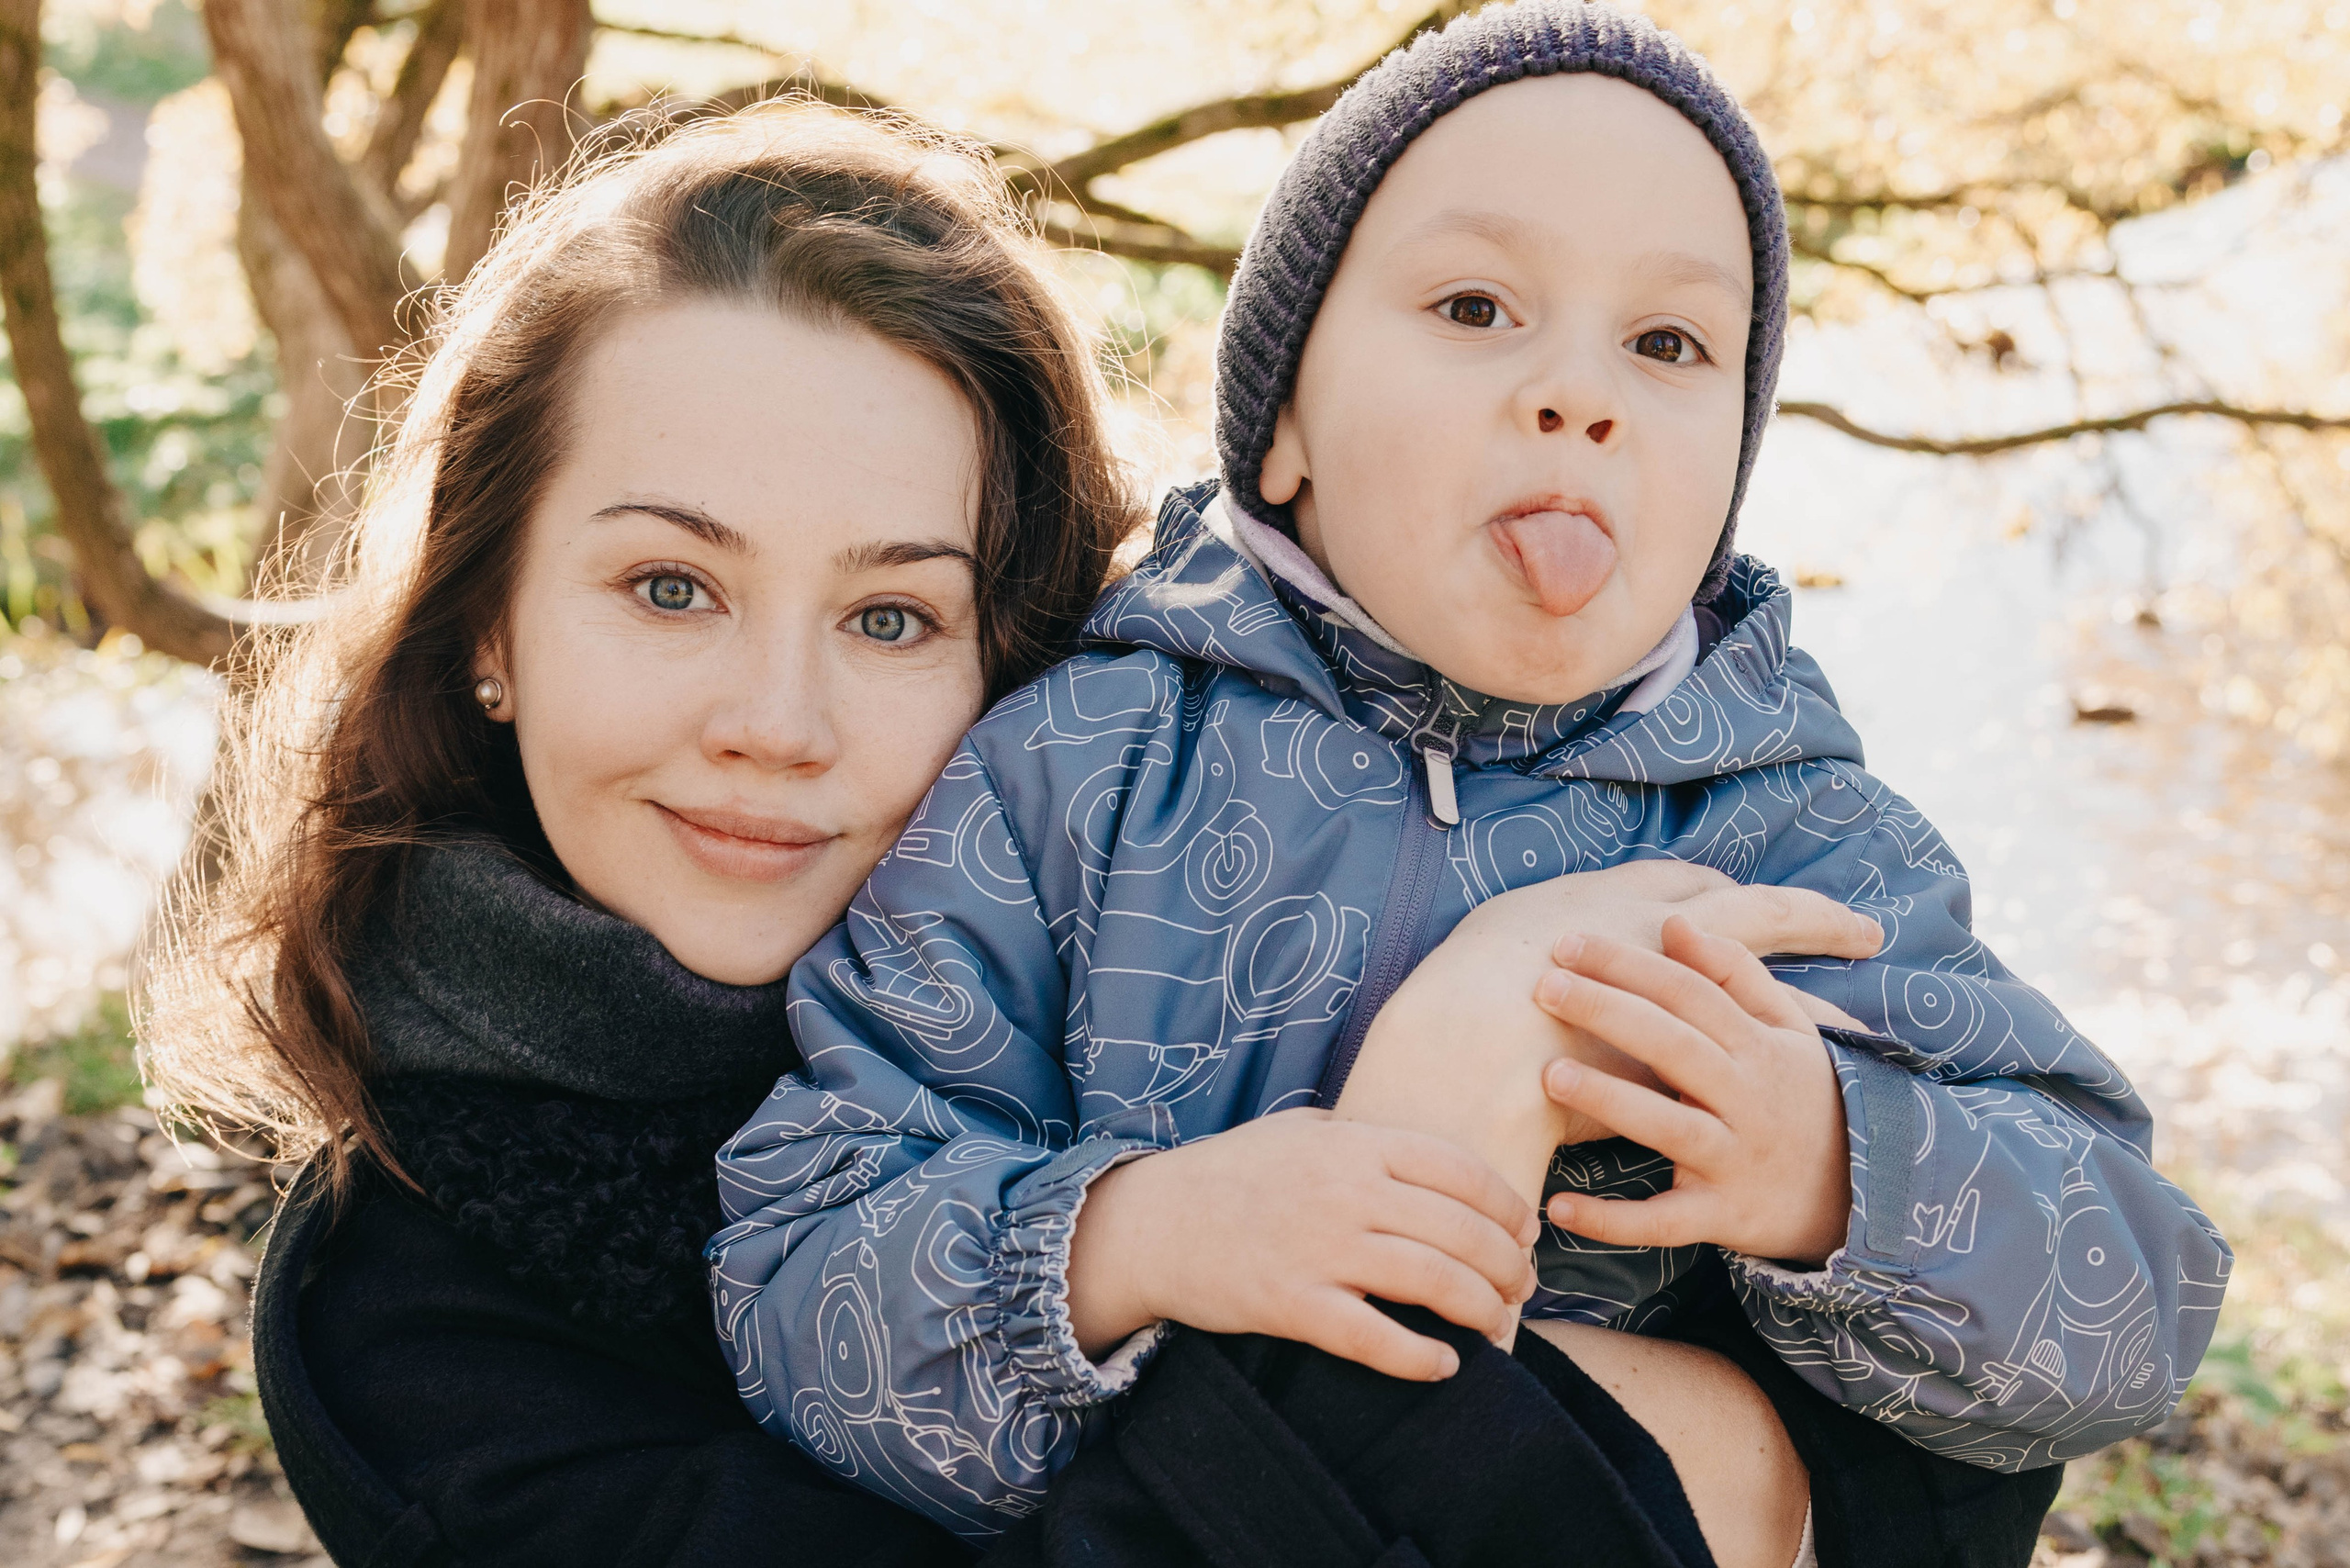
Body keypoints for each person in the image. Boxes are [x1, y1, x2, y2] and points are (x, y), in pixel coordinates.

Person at [140, 100, 1940, 1568]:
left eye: (893, 615)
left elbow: (1938, 1465)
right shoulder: (412, 1312)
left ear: (1022, 652)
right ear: (488, 627)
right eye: (669, 584)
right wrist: (1434, 1127)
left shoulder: (1205, 922)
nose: (776, 718)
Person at [710, 1, 2233, 1553]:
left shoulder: (1799, 844)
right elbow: (791, 1274)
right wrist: (1135, 1241)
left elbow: (2134, 1315)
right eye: (1476, 306)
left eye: (1668, 343)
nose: (1582, 396)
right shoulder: (1076, 771)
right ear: (1284, 420)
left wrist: (1831, 1163)